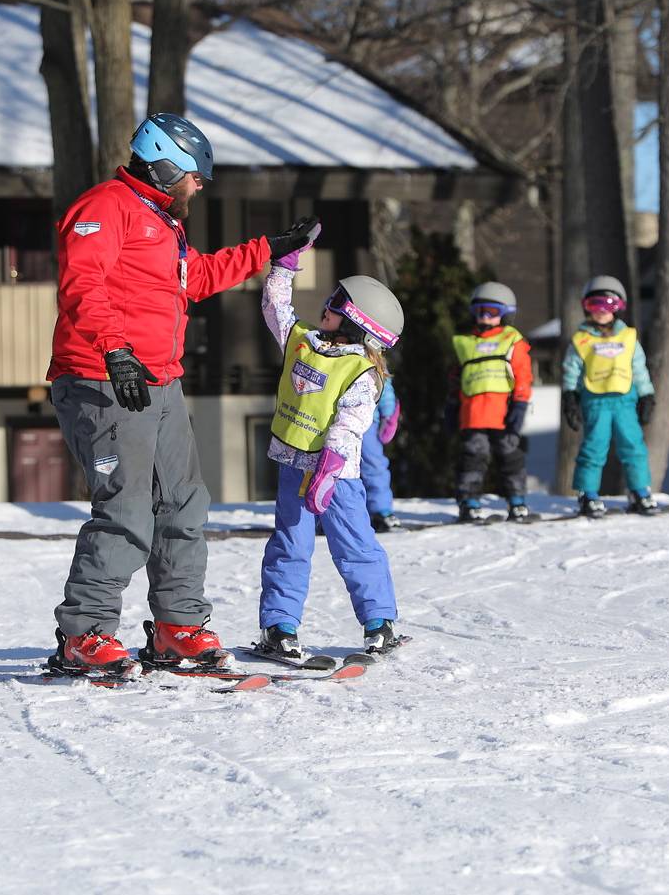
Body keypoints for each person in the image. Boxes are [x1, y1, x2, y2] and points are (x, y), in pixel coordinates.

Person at [47, 111, 319, 673]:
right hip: (104, 377)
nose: (200, 185)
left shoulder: (159, 221)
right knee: (124, 507)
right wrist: (115, 349)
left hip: (158, 381)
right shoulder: (104, 208)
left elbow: (193, 278)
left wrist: (266, 249)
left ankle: (178, 626)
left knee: (183, 503)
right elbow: (83, 283)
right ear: (166, 166)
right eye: (195, 175)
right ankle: (86, 635)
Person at [257, 230, 405, 660]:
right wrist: (282, 268)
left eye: (338, 305)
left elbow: (349, 425)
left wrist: (329, 469)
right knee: (289, 545)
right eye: (331, 299)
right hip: (292, 466)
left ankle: (379, 622)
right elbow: (275, 309)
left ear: (358, 322)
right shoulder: (302, 342)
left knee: (355, 544)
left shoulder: (363, 372)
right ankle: (279, 627)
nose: (327, 307)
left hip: (337, 477)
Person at [561, 276, 658, 517]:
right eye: (596, 305)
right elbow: (571, 370)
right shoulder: (582, 340)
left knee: (633, 446)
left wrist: (647, 395)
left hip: (624, 400)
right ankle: (588, 493)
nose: (602, 312)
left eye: (609, 305)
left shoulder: (628, 337)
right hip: (595, 401)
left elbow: (639, 368)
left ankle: (639, 491)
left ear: (619, 308)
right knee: (594, 446)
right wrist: (570, 397)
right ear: (586, 307)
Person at [446, 282, 533, 523]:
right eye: (480, 311)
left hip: (503, 414)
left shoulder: (511, 340)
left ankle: (517, 502)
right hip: (472, 414)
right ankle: (469, 503)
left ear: (506, 314)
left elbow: (523, 375)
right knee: (472, 459)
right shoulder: (465, 343)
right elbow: (456, 377)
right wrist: (452, 406)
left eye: (492, 312)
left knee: (510, 458)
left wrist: (520, 405)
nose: (484, 316)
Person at [361, 376, 404, 532]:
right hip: (334, 420)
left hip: (367, 422)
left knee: (373, 465)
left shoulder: (372, 355)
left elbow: (383, 386)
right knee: (332, 469)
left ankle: (380, 510)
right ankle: (325, 515)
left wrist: (388, 415)